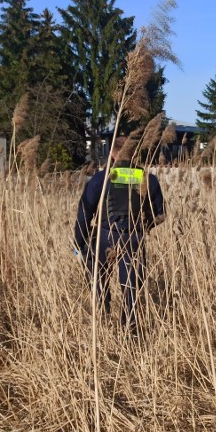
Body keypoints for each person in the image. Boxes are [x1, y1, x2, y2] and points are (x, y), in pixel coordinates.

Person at [74, 136, 166, 328]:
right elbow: (161, 214)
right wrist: (143, 226)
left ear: (112, 154)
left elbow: (84, 213)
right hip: (133, 237)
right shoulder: (147, 178)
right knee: (130, 289)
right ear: (134, 153)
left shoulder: (103, 177)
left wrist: (79, 243)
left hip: (104, 236)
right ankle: (129, 330)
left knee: (99, 282)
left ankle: (102, 322)